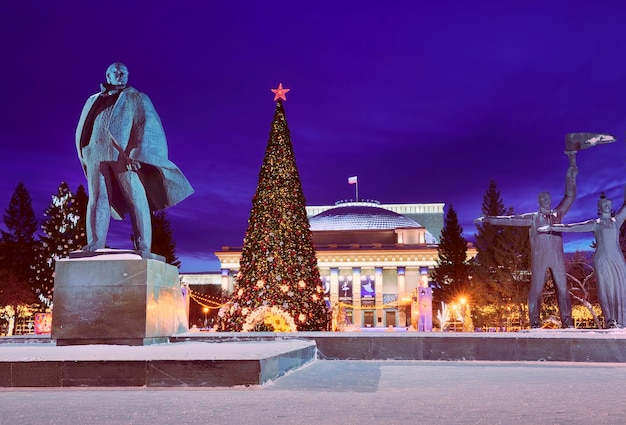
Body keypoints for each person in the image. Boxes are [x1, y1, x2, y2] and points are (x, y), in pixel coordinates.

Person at [75, 62, 194, 252]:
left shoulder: (137, 97)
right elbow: (84, 127)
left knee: (135, 197)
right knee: (98, 199)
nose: (121, 75)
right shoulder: (92, 100)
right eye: (116, 72)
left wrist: (138, 153)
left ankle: (143, 244)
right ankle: (95, 242)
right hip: (95, 153)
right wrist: (85, 152)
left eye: (124, 73)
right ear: (108, 75)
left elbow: (147, 126)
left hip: (123, 155)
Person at [476, 165, 577, 328]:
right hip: (540, 258)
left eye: (548, 198)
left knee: (563, 288)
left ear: (550, 200)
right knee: (536, 288)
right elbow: (509, 220)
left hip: (557, 258)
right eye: (543, 199)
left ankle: (567, 321)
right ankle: (534, 321)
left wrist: (570, 178)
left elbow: (569, 197)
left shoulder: (557, 215)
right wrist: (489, 219)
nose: (546, 201)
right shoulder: (532, 218)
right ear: (539, 202)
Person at [539, 187, 626, 328]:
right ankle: (610, 319)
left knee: (621, 287)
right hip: (602, 259)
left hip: (617, 258)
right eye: (604, 204)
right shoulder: (595, 224)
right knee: (605, 288)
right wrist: (552, 228)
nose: (607, 206)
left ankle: (622, 320)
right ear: (599, 206)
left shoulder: (616, 222)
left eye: (609, 204)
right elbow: (573, 227)